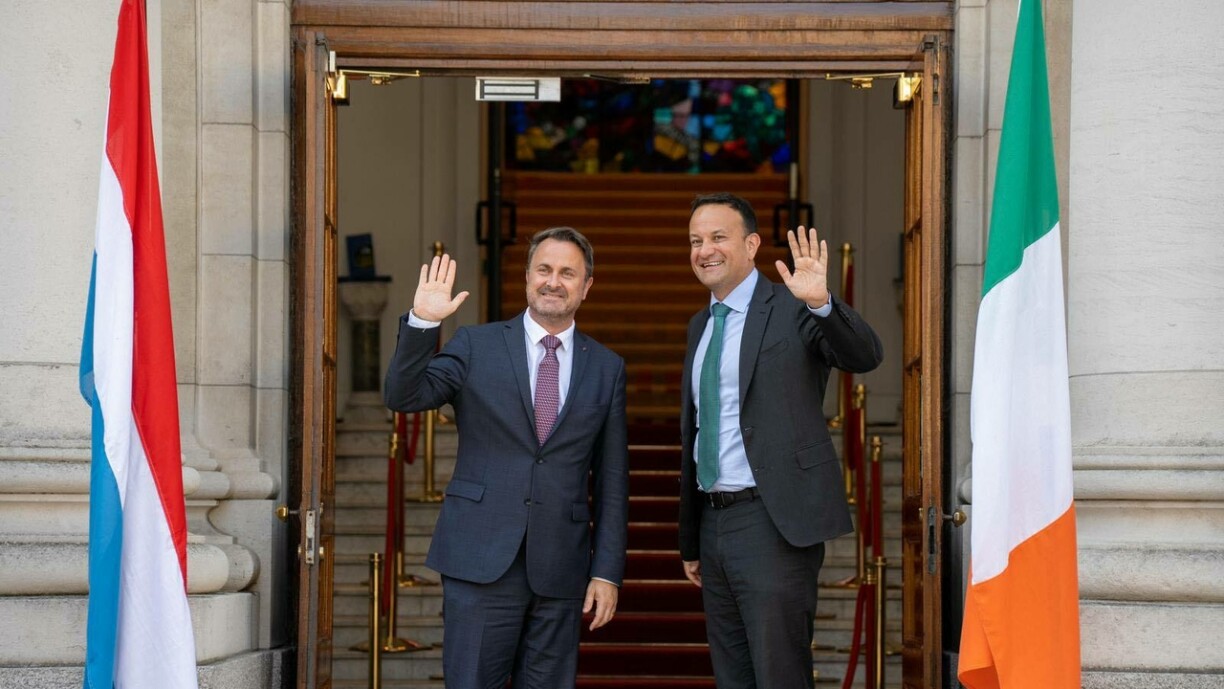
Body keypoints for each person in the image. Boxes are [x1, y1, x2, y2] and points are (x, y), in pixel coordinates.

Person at [384, 227, 629, 689]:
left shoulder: (607, 367)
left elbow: (613, 479)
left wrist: (606, 572)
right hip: (478, 560)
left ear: (587, 285)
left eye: (567, 273)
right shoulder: (477, 345)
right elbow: (403, 395)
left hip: (561, 568)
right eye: (544, 269)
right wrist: (422, 322)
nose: (554, 281)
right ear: (527, 277)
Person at [678, 192, 883, 689]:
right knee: (734, 676)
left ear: (751, 245)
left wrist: (821, 303)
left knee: (779, 675)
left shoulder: (793, 308)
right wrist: (692, 538)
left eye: (718, 237)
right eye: (695, 240)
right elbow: (698, 430)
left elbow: (864, 355)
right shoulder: (700, 326)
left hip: (774, 520)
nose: (705, 249)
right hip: (713, 521)